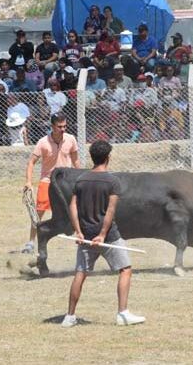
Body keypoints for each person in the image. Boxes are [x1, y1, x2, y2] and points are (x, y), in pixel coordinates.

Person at [61, 140, 145, 328]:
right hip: (108, 235)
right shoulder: (113, 181)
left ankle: (69, 316)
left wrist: (79, 231)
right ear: (108, 157)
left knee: (80, 273)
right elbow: (110, 211)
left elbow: (72, 205)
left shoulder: (81, 179)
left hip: (86, 235)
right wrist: (102, 234)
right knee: (125, 269)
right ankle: (122, 314)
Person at [23, 113, 81, 254]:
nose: (63, 129)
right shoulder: (43, 142)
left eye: (65, 126)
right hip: (47, 181)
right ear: (52, 126)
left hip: (66, 182)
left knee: (78, 209)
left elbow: (76, 160)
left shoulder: (71, 139)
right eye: (59, 126)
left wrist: (82, 177)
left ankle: (81, 236)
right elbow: (31, 162)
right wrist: (29, 182)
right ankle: (31, 242)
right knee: (38, 213)